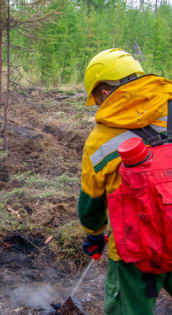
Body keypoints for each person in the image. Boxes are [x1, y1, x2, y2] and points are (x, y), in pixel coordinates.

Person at [78, 48, 172, 314]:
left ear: (104, 93)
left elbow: (90, 204)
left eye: (96, 98)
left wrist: (94, 234)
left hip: (135, 253)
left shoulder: (99, 140)